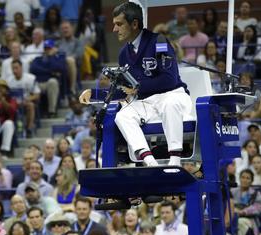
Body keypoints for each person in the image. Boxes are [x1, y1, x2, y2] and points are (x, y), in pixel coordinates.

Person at [79, 2, 193, 167]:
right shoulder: (123, 54)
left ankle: (175, 161)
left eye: (119, 24)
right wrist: (94, 94)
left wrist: (138, 87)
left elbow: (170, 80)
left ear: (134, 24)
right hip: (146, 103)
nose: (114, 29)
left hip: (174, 95)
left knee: (170, 104)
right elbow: (124, 91)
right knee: (122, 116)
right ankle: (150, 162)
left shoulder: (159, 41)